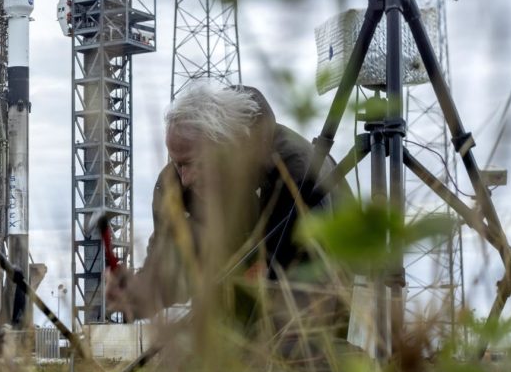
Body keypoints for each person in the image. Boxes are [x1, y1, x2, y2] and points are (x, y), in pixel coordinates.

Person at [105, 82, 350, 325]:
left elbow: (310, 285)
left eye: (194, 163)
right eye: (178, 164)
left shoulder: (296, 173)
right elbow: (172, 271)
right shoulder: (175, 188)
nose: (186, 178)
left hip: (327, 311)